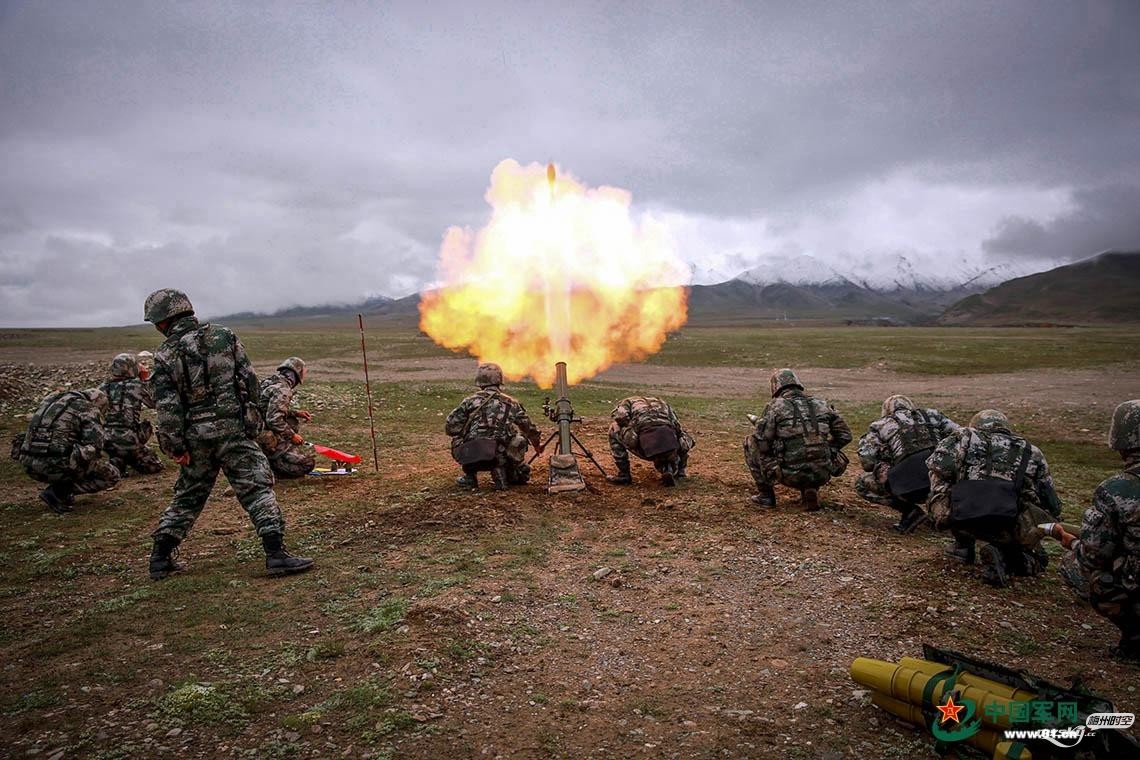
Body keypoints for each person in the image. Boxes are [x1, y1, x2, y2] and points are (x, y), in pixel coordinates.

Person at [142, 288, 313, 579]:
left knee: (187, 496)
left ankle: (160, 558)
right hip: (235, 432)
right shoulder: (224, 336)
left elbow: (167, 408)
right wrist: (254, 426)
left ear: (161, 323)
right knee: (257, 489)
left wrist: (175, 447)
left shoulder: (165, 354)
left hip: (196, 439)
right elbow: (250, 381)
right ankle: (275, 555)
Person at [926, 409, 1062, 588]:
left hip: (963, 515)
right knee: (1039, 559)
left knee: (943, 483)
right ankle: (1009, 555)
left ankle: (963, 545)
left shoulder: (962, 438)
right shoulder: (1032, 451)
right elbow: (1051, 501)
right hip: (1009, 521)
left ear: (976, 425)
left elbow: (936, 466)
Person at [1057, 400, 1140, 662]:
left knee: (1081, 570)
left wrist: (1071, 544)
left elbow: (1092, 556)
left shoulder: (1117, 489)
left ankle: (1135, 641)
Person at [744, 368, 852, 510]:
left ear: (775, 388)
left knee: (750, 442)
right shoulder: (822, 404)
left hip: (790, 474)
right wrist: (828, 449)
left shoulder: (775, 407)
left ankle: (766, 496)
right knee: (814, 448)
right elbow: (845, 435)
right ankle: (809, 489)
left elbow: (763, 443)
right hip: (823, 472)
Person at [856, 394, 959, 533]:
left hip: (907, 486)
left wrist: (887, 460)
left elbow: (867, 461)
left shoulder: (880, 425)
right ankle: (948, 515)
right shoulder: (933, 415)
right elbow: (960, 436)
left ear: (886, 411)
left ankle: (910, 511)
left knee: (862, 483)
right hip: (941, 481)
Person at [12, 388, 121, 513]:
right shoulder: (88, 407)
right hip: (54, 466)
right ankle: (60, 491)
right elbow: (95, 445)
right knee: (111, 474)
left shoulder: (49, 401)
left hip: (28, 465)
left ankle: (62, 490)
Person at [445, 362, 543, 490]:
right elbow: (528, 427)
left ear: (479, 382)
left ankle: (470, 477)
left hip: (473, 454)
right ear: (499, 380)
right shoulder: (511, 403)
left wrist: (469, 430)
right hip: (499, 454)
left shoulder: (469, 401)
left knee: (457, 439)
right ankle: (504, 470)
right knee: (518, 438)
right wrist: (536, 445)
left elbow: (451, 428)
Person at [605, 396, 695, 487]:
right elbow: (676, 425)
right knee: (680, 436)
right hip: (671, 446)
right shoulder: (662, 402)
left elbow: (621, 417)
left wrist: (631, 428)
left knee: (614, 428)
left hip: (647, 447)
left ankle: (624, 475)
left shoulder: (626, 402)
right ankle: (679, 471)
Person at [99, 352, 164, 476]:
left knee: (118, 452)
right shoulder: (137, 385)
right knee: (155, 466)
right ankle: (131, 456)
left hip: (106, 440)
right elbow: (153, 403)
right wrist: (145, 379)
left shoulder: (102, 387)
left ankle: (118, 460)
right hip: (129, 439)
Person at [257, 356, 316, 478]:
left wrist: (295, 413)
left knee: (291, 420)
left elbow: (268, 409)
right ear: (297, 373)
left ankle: (273, 454)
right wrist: (292, 436)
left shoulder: (270, 381)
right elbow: (273, 420)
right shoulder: (283, 389)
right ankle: (273, 464)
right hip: (262, 435)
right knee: (308, 464)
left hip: (255, 428)